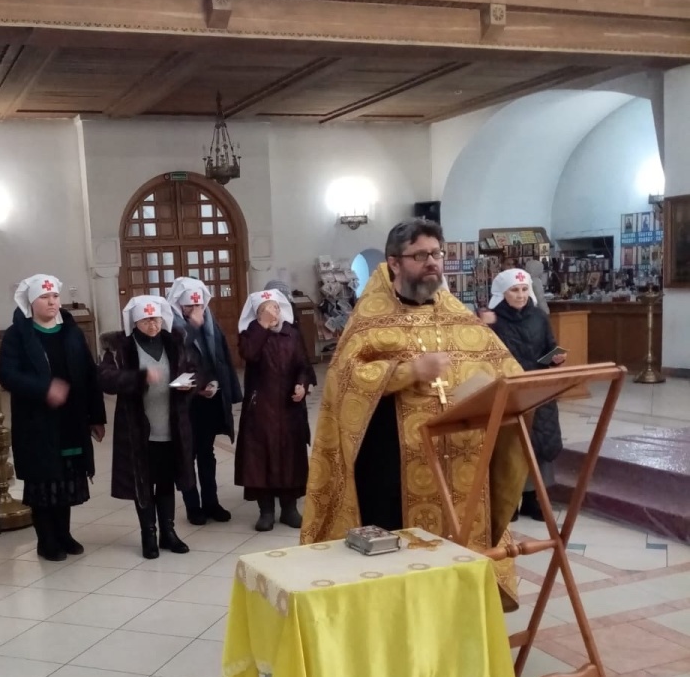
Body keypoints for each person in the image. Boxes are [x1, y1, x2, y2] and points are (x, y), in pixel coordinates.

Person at [301, 218, 527, 608]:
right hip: (391, 464)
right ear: (394, 262)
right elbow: (344, 379)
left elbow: (504, 369)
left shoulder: (455, 315)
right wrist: (407, 372)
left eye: (437, 253)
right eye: (420, 255)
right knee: (398, 556)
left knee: (457, 547)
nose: (432, 262)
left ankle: (456, 615)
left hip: (460, 462)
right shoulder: (371, 318)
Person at [0, 274, 106, 562]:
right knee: (44, 481)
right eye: (44, 297)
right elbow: (7, 375)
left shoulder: (71, 332)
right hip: (37, 422)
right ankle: (46, 540)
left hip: (71, 418)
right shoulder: (18, 335)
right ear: (31, 302)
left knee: (66, 477)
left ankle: (64, 534)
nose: (52, 302)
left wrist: (96, 416)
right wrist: (44, 389)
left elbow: (89, 374)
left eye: (55, 296)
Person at [99, 296, 196, 559]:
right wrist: (140, 377)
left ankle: (168, 532)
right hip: (138, 428)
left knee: (166, 481)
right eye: (146, 320)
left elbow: (192, 368)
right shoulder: (120, 347)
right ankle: (148, 534)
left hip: (171, 425)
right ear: (135, 321)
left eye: (156, 319)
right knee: (143, 481)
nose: (153, 325)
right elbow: (106, 379)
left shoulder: (173, 342)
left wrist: (190, 384)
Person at [480, 269, 564, 521]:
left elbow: (549, 349)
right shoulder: (491, 319)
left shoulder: (539, 317)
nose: (520, 295)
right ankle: (507, 500)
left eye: (524, 289)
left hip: (537, 388)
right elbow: (482, 353)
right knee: (509, 446)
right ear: (502, 293)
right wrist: (483, 326)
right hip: (509, 390)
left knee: (539, 443)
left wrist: (556, 358)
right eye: (514, 290)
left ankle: (532, 499)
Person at [166, 277, 242, 525]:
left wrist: (218, 384)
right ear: (179, 305)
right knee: (187, 455)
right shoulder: (170, 325)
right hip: (184, 402)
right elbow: (176, 355)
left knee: (207, 453)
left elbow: (219, 357)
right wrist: (192, 327)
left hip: (209, 398)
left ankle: (211, 502)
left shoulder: (211, 322)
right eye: (189, 306)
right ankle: (192, 506)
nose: (195, 311)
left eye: (199, 305)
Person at [235, 289, 312, 532]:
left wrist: (302, 384)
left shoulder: (291, 333)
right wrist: (262, 326)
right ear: (257, 314)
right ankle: (266, 511)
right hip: (261, 407)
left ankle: (289, 509)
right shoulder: (250, 334)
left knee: (290, 456)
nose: (273, 313)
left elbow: (304, 365)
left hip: (289, 408)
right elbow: (249, 353)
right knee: (261, 458)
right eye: (266, 310)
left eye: (276, 307)